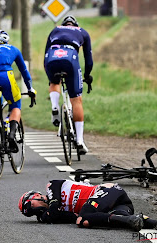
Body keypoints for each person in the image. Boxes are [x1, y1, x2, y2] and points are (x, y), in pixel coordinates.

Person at [19, 179, 157, 232]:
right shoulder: (55, 212)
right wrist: (46, 217)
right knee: (85, 220)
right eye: (31, 213)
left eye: (31, 205)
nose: (34, 210)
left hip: (108, 191)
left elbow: (54, 206)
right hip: (119, 204)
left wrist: (49, 215)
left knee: (83, 217)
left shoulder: (51, 186)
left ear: (36, 195)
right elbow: (68, 217)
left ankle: (131, 220)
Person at [0, 30, 37, 152]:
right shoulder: (13, 49)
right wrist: (30, 88)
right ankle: (11, 135)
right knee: (16, 104)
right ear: (7, 41)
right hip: (5, 76)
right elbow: (24, 72)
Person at [44, 15, 93, 154]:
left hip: (51, 60)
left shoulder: (55, 30)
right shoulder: (82, 32)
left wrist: (49, 75)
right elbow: (88, 59)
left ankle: (54, 106)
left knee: (54, 82)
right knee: (76, 99)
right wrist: (87, 75)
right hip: (70, 60)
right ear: (75, 25)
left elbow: (45, 55)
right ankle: (79, 140)